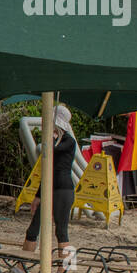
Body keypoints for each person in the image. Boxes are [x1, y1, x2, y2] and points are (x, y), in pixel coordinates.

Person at [23, 104, 79, 258]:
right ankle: (21, 266)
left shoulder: (69, 141)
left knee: (61, 231)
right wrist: (38, 195)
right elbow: (47, 171)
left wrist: (52, 138)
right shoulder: (55, 140)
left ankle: (65, 270)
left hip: (63, 189)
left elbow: (52, 149)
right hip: (49, 187)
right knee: (33, 229)